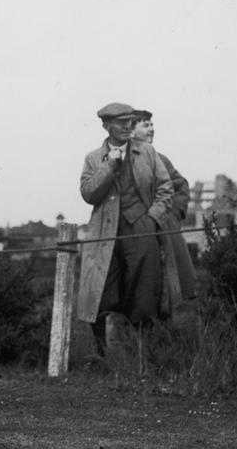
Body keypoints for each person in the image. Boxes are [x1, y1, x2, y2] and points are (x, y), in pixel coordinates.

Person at [77, 102, 174, 355]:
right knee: (102, 295)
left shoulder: (148, 153)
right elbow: (88, 193)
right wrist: (109, 165)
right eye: (121, 122)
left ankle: (141, 358)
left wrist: (152, 219)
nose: (127, 126)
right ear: (106, 126)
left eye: (130, 121)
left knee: (144, 297)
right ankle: (102, 357)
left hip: (141, 231)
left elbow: (166, 189)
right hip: (103, 235)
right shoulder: (93, 158)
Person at [132, 109, 198, 316]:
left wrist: (173, 216)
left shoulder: (160, 159)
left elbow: (181, 186)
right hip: (136, 234)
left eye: (151, 124)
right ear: (131, 131)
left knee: (174, 289)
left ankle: (173, 339)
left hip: (165, 233)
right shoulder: (123, 160)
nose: (151, 129)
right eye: (145, 125)